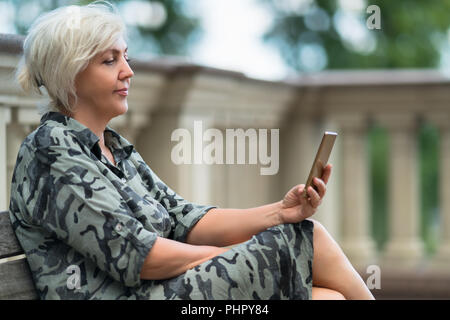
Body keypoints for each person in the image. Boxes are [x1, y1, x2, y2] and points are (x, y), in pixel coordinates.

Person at [9, 1, 374, 300]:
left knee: (328, 295)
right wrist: (242, 255)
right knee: (306, 241)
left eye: (126, 58)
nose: (128, 72)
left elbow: (186, 219)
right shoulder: (51, 150)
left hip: (159, 291)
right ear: (69, 73)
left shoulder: (114, 147)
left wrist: (281, 212)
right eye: (110, 61)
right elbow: (141, 257)